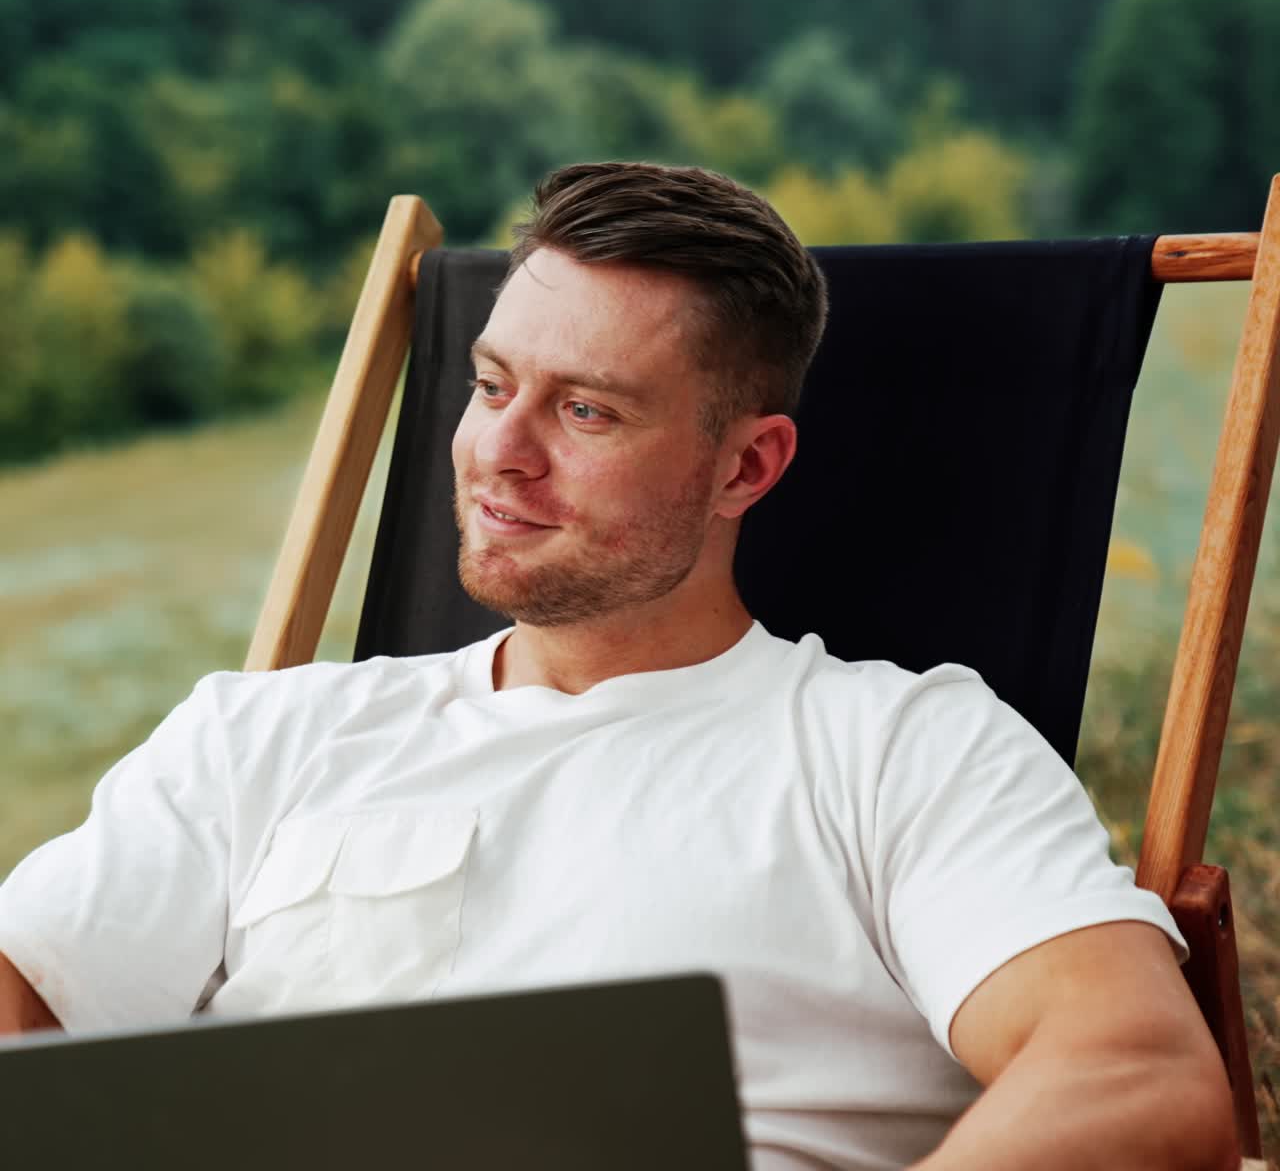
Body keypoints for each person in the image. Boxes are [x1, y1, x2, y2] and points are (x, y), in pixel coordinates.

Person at [0, 163, 1236, 1170]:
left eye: (585, 411)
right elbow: (28, 996)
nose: (500, 454)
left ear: (744, 468)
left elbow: (1132, 1075)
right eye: (490, 384)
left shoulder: (899, 752)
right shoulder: (263, 734)